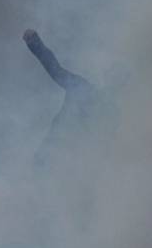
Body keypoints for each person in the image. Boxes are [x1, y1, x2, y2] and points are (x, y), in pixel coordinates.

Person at [22, 29, 99, 166]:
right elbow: (55, 70)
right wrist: (35, 44)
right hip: (58, 149)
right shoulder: (80, 87)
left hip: (73, 156)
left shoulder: (104, 108)